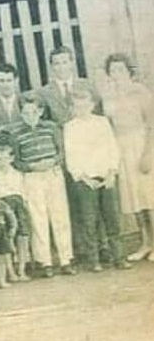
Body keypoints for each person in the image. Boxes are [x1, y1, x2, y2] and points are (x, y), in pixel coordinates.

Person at [37, 45, 102, 264]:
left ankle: (102, 246)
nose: (61, 67)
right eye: (56, 63)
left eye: (65, 61)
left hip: (89, 151)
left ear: (72, 62)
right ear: (51, 66)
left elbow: (98, 116)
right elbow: (45, 123)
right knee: (72, 200)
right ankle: (80, 248)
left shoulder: (86, 85)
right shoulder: (45, 92)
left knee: (94, 198)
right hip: (63, 152)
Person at [8, 92, 76, 278]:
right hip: (32, 177)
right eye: (25, 112)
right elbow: (16, 161)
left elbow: (62, 151)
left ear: (40, 111)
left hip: (53, 174)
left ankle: (66, 259)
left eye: (33, 111)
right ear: (21, 114)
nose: (30, 115)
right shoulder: (15, 133)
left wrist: (53, 161)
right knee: (38, 218)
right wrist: (31, 166)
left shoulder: (51, 127)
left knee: (60, 215)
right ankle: (45, 262)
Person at [64, 87, 132, 272]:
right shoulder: (70, 127)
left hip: (106, 176)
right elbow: (71, 158)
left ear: (92, 105)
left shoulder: (102, 122)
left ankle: (119, 256)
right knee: (89, 220)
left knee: (112, 218)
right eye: (77, 106)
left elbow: (112, 148)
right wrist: (85, 178)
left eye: (85, 105)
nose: (82, 110)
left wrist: (111, 173)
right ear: (72, 108)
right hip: (85, 180)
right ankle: (94, 259)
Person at [102, 52, 154, 262]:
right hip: (121, 149)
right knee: (134, 199)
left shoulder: (140, 91)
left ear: (128, 71)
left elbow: (151, 124)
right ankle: (145, 243)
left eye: (120, 69)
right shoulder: (108, 95)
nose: (117, 73)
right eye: (113, 70)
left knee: (149, 196)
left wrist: (148, 153)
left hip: (141, 144)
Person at [0, 139, 32, 281]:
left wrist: (25, 208)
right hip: (2, 209)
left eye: (5, 158)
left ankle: (22, 270)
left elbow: (24, 194)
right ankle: (10, 272)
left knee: (22, 238)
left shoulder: (18, 174)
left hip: (19, 208)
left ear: (11, 158)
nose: (2, 162)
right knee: (6, 241)